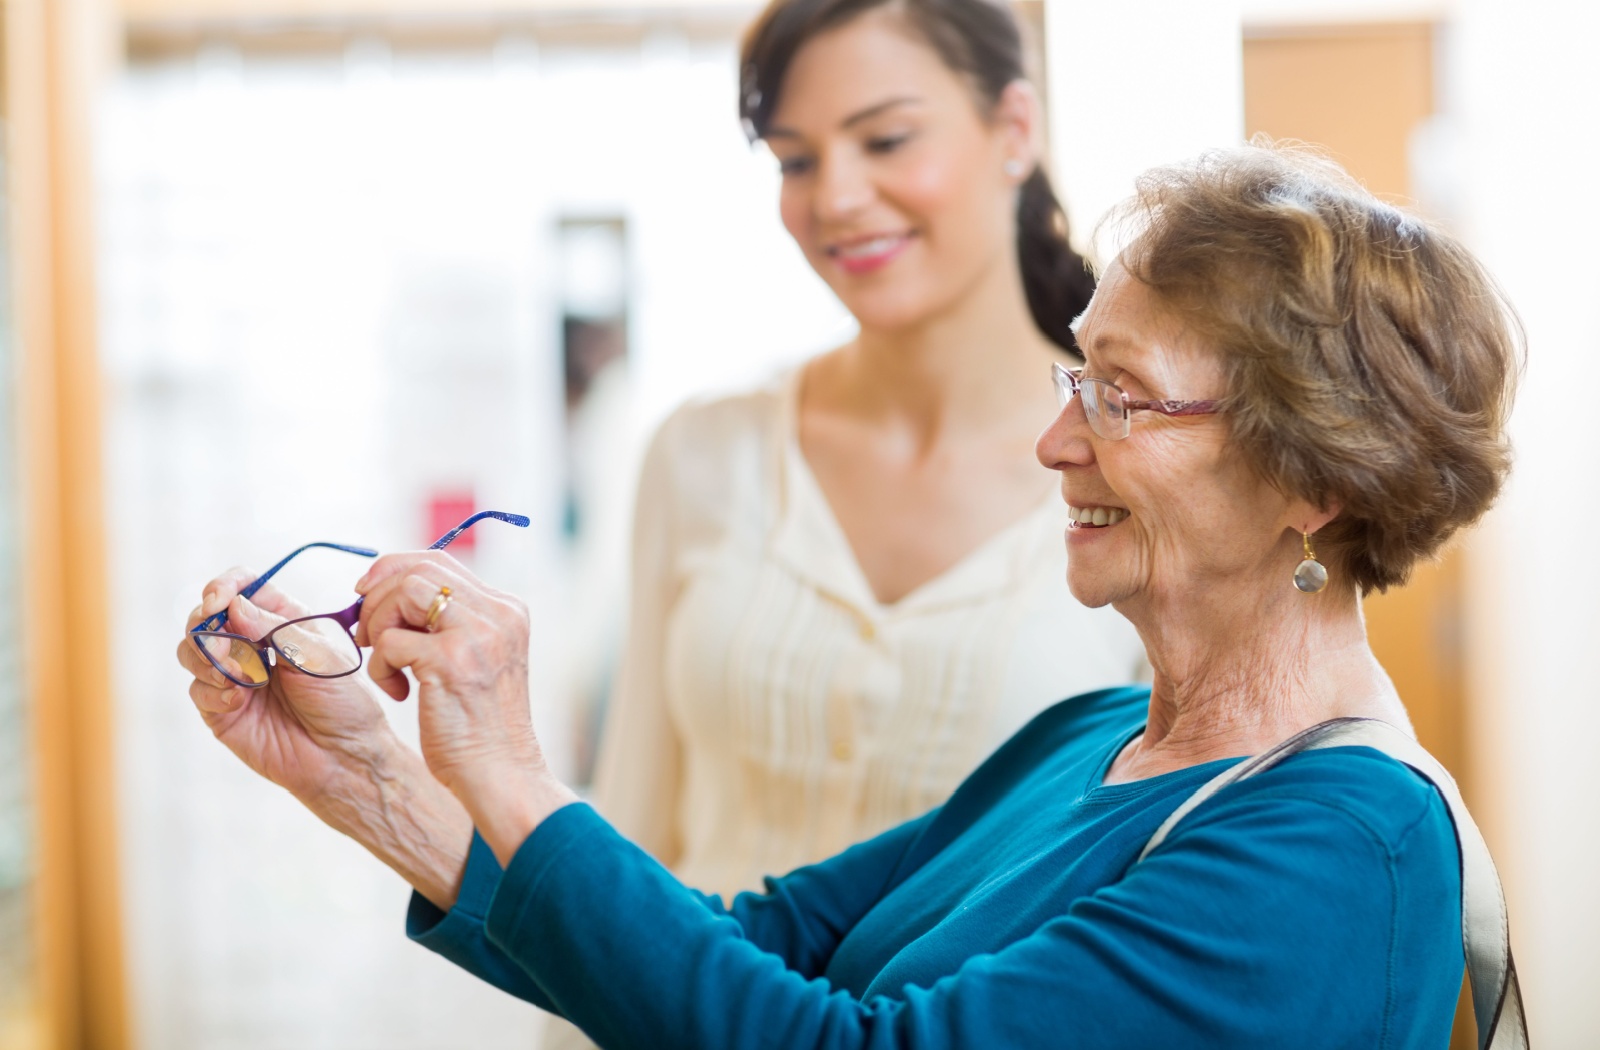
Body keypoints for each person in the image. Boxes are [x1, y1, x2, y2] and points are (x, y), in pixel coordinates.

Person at [178, 144, 1523, 1046]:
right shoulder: (1087, 738)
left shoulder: (1343, 846)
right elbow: (755, 952)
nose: (1060, 442)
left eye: (1122, 394)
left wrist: (518, 773)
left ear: (1317, 480)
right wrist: (373, 780)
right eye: (1076, 378)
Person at [585, 0, 1146, 911]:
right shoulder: (704, 453)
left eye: (885, 140)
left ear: (1014, 129)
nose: (835, 197)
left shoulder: (1147, 466)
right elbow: (633, 830)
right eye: (796, 160)